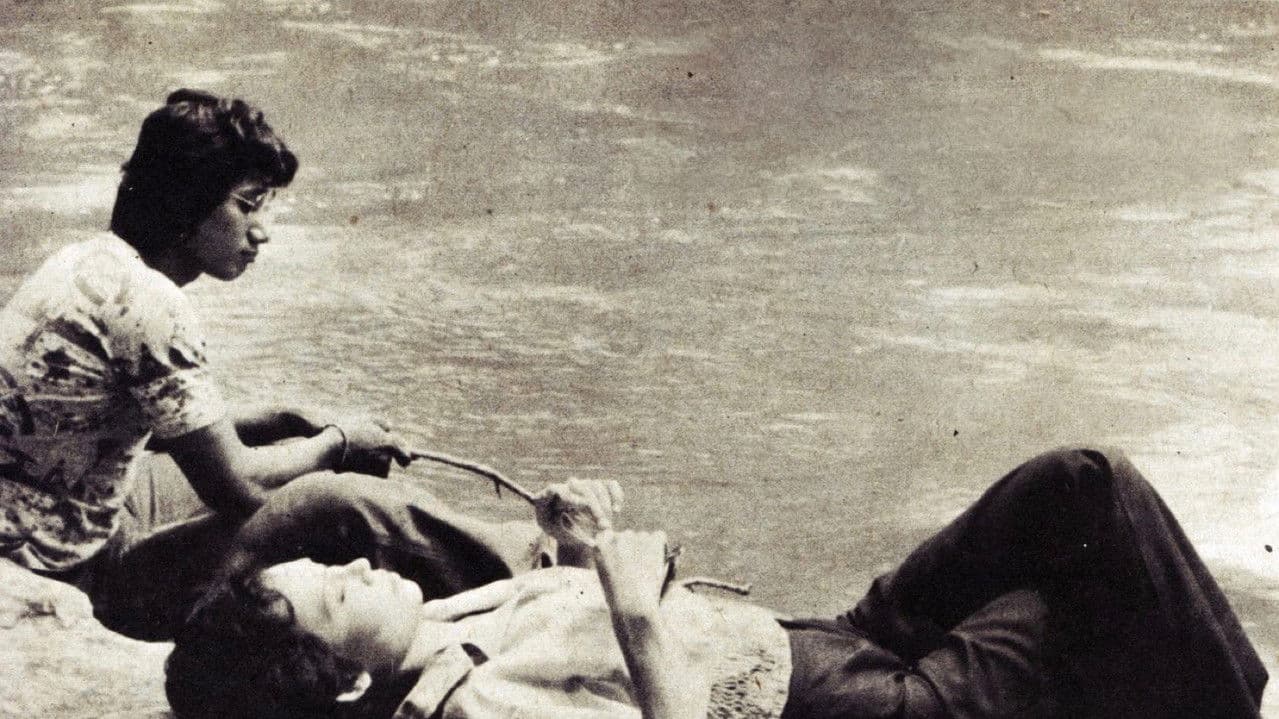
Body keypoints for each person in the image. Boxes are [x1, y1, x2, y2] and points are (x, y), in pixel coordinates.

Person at [164, 447, 1268, 719]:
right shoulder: (467, 709)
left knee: (1077, 488)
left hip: (822, 636)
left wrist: (575, 547)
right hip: (841, 705)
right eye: (337, 592)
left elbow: (570, 642)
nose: (363, 564)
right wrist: (635, 608)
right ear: (346, 682)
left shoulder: (431, 629)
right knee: (1098, 585)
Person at [0, 89, 524, 639]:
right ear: (186, 202)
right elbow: (239, 489)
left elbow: (133, 429)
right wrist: (339, 442)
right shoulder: (151, 305)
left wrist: (279, 419)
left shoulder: (85, 260)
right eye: (247, 205)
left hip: (49, 525)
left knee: (288, 449)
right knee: (331, 504)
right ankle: (528, 571)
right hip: (74, 575)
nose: (262, 231)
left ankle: (479, 554)